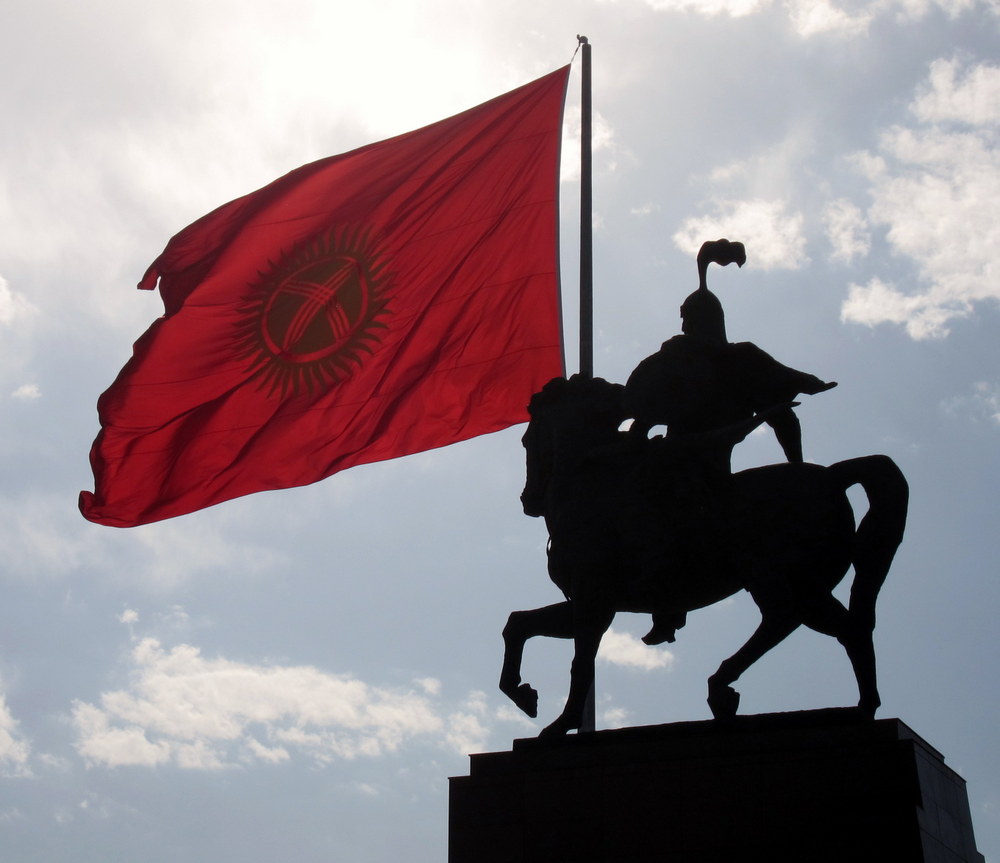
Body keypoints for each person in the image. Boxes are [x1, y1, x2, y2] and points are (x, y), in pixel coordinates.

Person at [623, 239, 836, 644]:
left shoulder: (731, 360)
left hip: (695, 460)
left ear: (703, 319)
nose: (683, 325)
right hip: (685, 454)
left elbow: (783, 400)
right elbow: (640, 402)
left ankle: (667, 607)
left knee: (654, 513)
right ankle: (667, 609)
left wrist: (797, 465)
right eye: (682, 318)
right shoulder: (684, 358)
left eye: (687, 317)